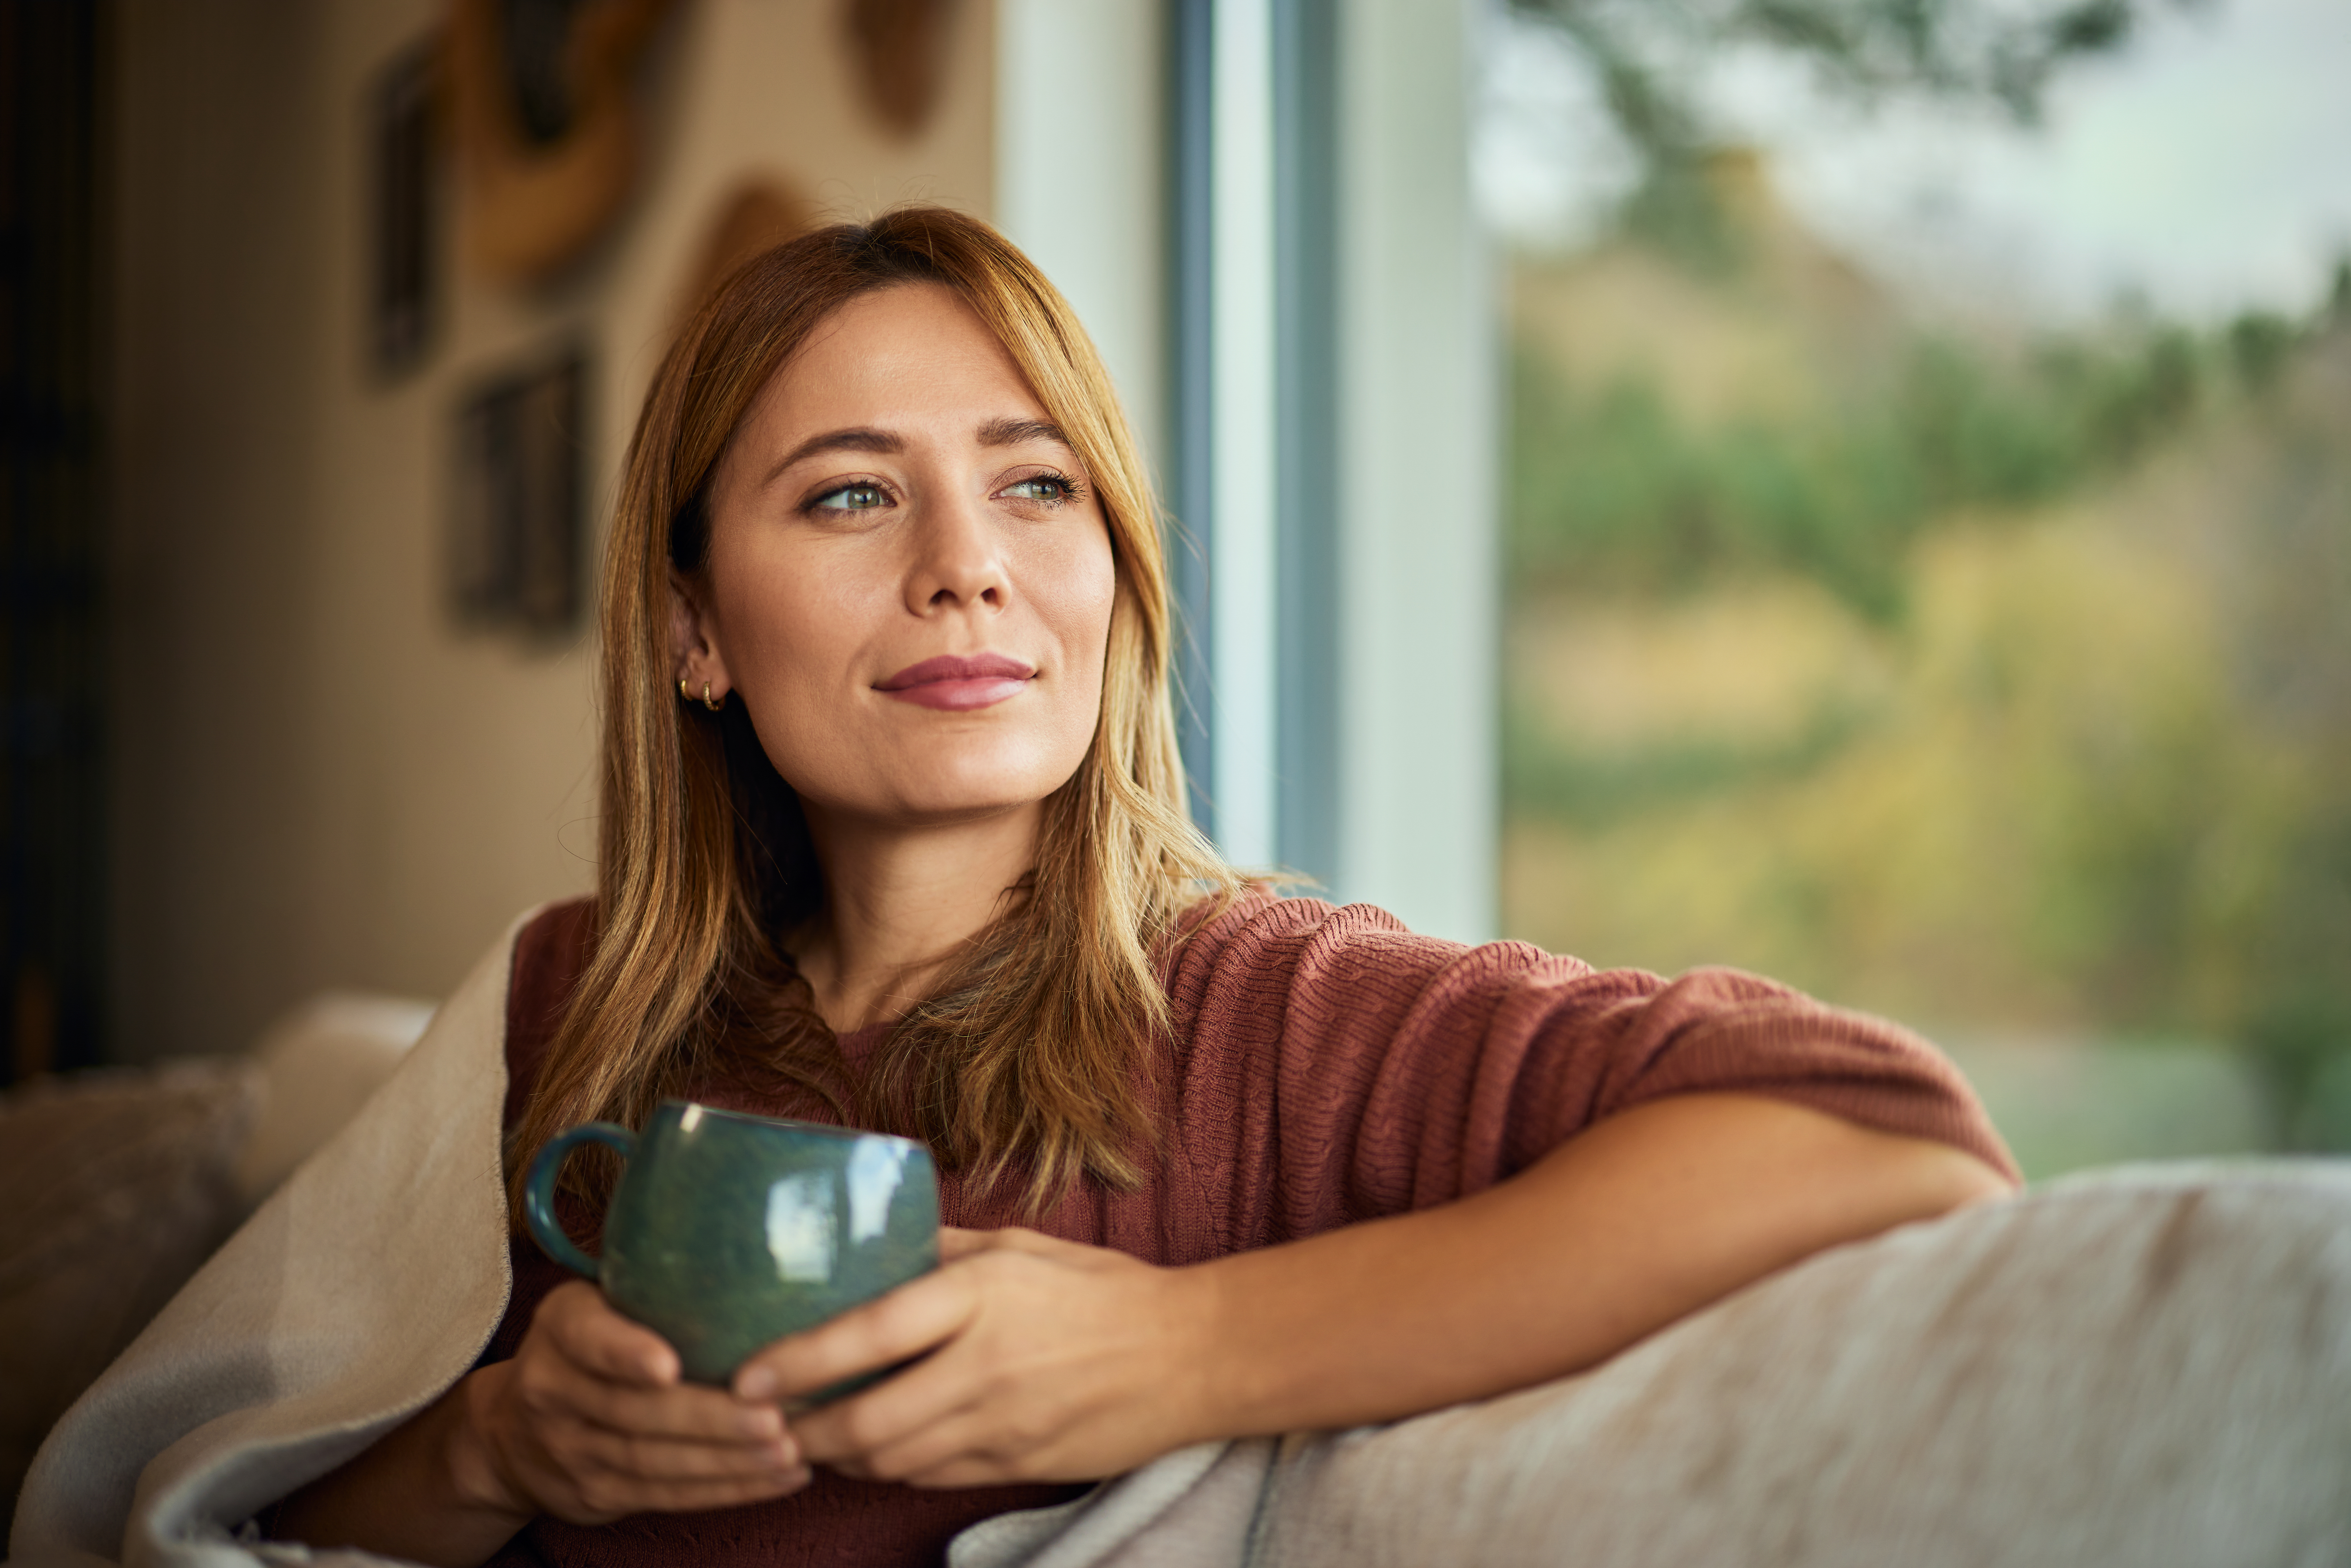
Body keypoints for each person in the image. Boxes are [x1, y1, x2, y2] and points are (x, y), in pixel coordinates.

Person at [267, 207, 2014, 1568]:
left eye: (1039, 484)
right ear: (695, 627)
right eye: (854, 493)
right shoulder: (556, 1012)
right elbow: (211, 1498)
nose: (970, 569)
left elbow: (1887, 1138)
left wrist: (1189, 1351)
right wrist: (494, 1452)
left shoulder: (1270, 1009)